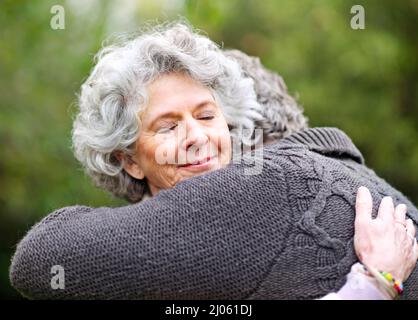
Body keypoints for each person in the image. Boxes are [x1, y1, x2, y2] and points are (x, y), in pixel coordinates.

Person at [9, 21, 418, 299]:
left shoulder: (249, 195)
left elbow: (36, 260)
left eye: (207, 116)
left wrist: (375, 284)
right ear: (129, 161)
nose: (197, 136)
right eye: (167, 126)